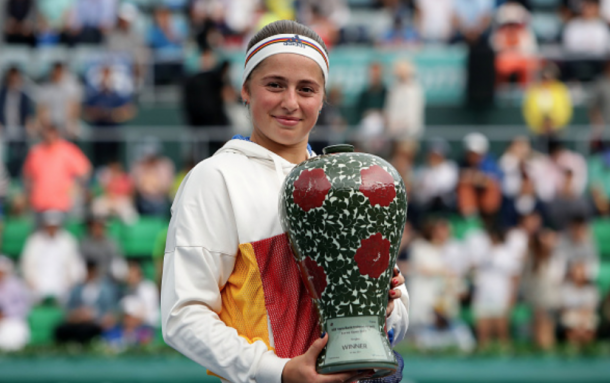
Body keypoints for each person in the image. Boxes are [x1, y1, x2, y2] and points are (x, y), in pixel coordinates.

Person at [161, 20, 409, 383]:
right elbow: (182, 316)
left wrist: (381, 309)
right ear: (245, 89)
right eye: (275, 85)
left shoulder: (347, 183)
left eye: (306, 89)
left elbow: (399, 312)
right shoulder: (215, 178)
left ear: (324, 99)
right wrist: (278, 372)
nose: (290, 103)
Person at [22, 123, 91, 217]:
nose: (50, 136)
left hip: (62, 205)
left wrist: (76, 187)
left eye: (52, 132)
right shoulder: (35, 151)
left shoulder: (67, 150)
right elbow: (27, 175)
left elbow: (85, 170)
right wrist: (29, 193)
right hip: (39, 204)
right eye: (47, 132)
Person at [20, 210, 85, 303]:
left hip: (63, 284)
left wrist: (71, 281)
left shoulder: (68, 241)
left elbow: (75, 263)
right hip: (37, 285)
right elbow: (26, 263)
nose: (51, 229)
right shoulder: (34, 240)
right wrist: (30, 280)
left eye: (54, 226)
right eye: (49, 226)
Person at [55, 261, 118, 344]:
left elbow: (109, 312)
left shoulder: (106, 289)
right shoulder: (77, 288)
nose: (89, 274)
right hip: (78, 322)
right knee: (61, 329)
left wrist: (93, 315)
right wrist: (78, 315)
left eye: (91, 271)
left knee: (85, 331)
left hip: (96, 323)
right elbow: (69, 309)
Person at [36, 62, 83, 139]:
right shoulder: (45, 88)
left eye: (59, 70)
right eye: (55, 70)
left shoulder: (71, 88)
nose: (57, 73)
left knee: (75, 131)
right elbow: (41, 109)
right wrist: (45, 124)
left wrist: (71, 122)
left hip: (66, 125)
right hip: (50, 125)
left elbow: (75, 108)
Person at [0, 255, 31, 351]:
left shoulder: (16, 285)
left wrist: (5, 314)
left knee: (15, 331)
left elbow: (23, 307)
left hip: (13, 320)